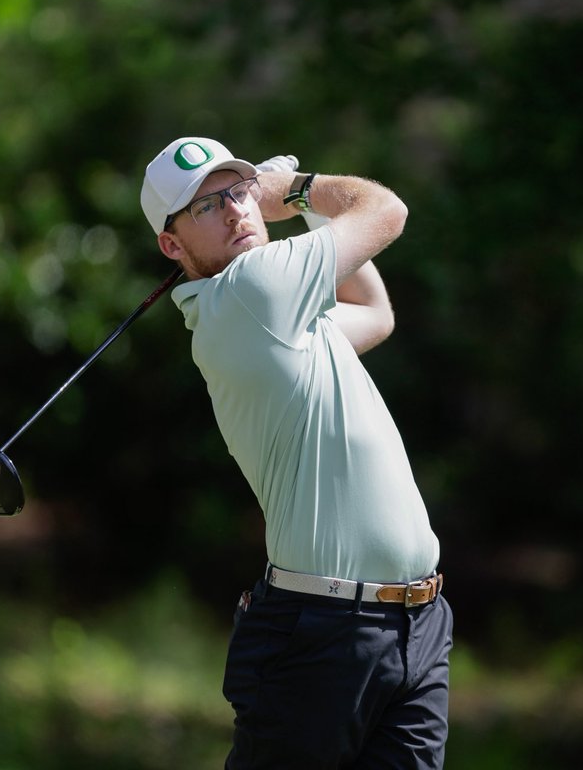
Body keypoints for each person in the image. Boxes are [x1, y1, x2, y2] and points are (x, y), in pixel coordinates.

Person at [140, 136, 451, 769]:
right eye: (205, 207)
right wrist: (297, 191)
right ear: (172, 247)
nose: (234, 211)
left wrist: (303, 209)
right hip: (323, 633)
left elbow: (376, 312)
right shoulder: (251, 293)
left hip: (417, 624)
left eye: (237, 191)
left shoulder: (283, 318)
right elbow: (386, 211)